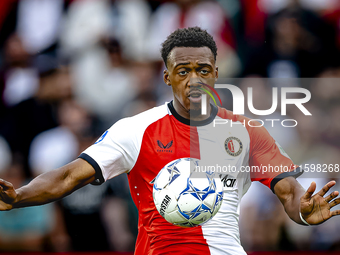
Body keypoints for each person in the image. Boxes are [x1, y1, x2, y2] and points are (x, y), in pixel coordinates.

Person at [0, 27, 339, 255]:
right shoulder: (135, 130)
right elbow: (68, 176)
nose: (194, 80)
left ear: (216, 73)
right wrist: (20, 196)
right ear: (167, 76)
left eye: (203, 70)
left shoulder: (247, 131)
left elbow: (289, 190)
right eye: (183, 70)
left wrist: (303, 213)